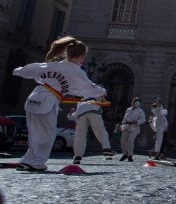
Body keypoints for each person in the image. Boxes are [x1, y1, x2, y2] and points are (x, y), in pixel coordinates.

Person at [13, 37, 106, 171]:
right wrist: (102, 91)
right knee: (48, 134)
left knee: (34, 133)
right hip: (48, 101)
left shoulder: (53, 65)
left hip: (34, 97)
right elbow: (89, 87)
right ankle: (36, 162)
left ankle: (28, 160)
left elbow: (33, 68)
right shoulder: (75, 70)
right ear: (81, 56)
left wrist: (18, 70)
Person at [67, 96, 115, 164]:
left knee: (79, 136)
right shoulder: (98, 92)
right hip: (93, 109)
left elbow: (71, 117)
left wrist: (70, 113)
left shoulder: (80, 102)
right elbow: (106, 101)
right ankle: (106, 148)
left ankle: (77, 156)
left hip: (81, 114)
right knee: (100, 130)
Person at [119, 96, 146, 162]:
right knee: (123, 141)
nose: (137, 102)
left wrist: (136, 122)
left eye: (138, 101)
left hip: (134, 127)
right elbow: (125, 118)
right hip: (126, 126)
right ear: (133, 102)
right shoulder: (128, 109)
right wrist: (122, 125)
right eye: (136, 101)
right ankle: (125, 153)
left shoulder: (140, 111)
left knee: (130, 140)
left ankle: (130, 155)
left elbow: (143, 119)